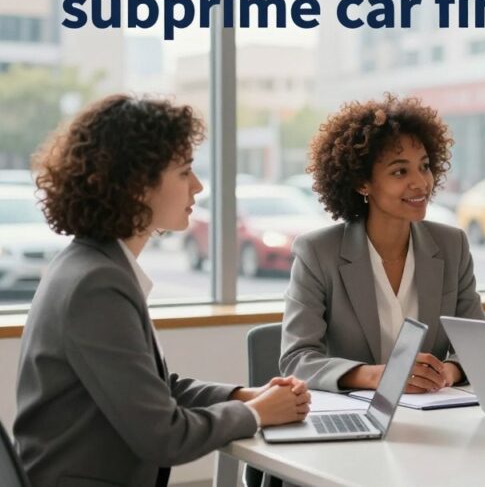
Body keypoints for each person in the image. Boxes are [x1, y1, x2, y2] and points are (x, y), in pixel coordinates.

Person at [14, 95, 310, 487]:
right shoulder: (96, 284)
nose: (199, 186)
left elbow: (158, 389)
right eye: (185, 171)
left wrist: (243, 396)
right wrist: (258, 414)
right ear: (138, 185)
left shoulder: (93, 265)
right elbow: (164, 436)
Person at [280, 94, 485, 393]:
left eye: (424, 166)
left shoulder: (452, 245)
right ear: (363, 183)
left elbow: (478, 342)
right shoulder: (317, 253)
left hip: (433, 412)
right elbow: (297, 360)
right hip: (355, 418)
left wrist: (446, 373)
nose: (420, 183)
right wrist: (380, 376)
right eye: (400, 171)